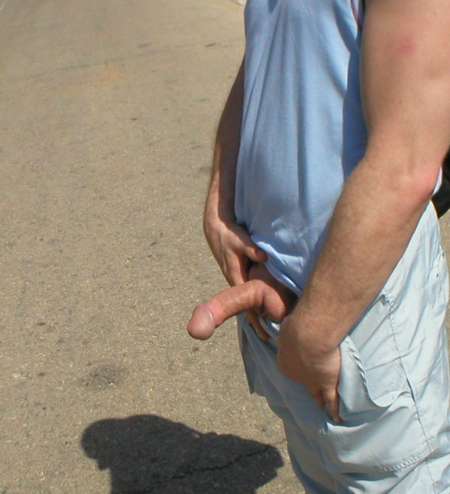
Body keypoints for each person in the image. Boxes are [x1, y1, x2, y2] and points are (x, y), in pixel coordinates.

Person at [189, 0, 450, 491]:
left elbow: (407, 163)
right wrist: (221, 197)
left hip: (357, 313)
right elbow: (266, 55)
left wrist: (314, 331)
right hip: (286, 309)